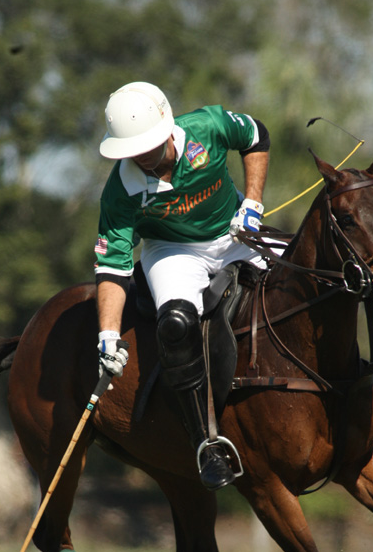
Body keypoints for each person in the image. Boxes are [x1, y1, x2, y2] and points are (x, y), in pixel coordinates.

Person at [94, 81, 272, 491]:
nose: (142, 157)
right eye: (132, 150)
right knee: (174, 323)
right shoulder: (120, 192)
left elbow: (256, 134)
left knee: (307, 274)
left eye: (149, 146)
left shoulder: (207, 127)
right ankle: (205, 444)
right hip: (173, 251)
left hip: (236, 233)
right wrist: (107, 334)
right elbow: (113, 267)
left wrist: (253, 203)